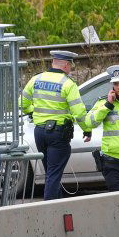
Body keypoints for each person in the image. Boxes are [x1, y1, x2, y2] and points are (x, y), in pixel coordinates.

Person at [20, 49, 89, 200]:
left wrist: (34, 111)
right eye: (70, 65)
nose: (71, 68)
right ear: (65, 65)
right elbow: (79, 112)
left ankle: (58, 206)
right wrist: (87, 129)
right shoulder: (68, 84)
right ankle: (49, 209)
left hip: (39, 133)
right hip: (58, 134)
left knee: (51, 172)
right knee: (53, 174)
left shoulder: (35, 79)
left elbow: (22, 103)